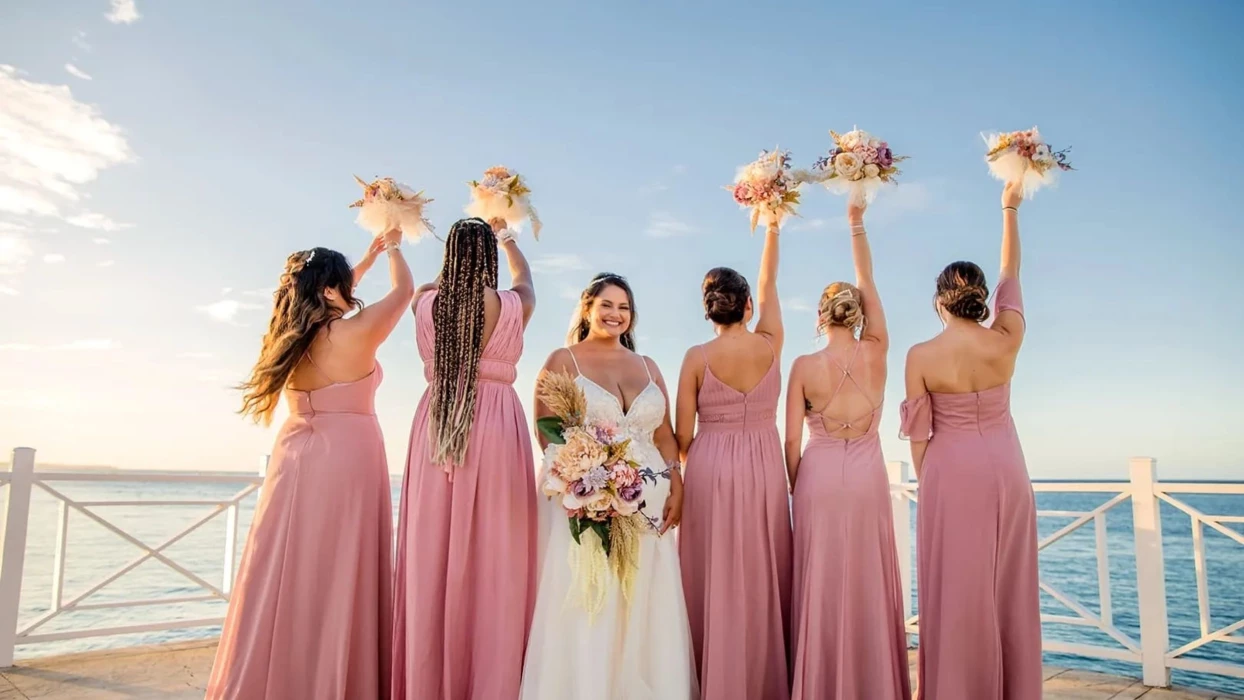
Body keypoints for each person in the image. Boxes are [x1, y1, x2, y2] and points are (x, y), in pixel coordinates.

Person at [208, 227, 412, 699]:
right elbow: (402, 292)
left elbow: (325, 294)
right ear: (329, 288)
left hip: (294, 455)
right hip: (348, 458)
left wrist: (362, 259)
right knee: (340, 568)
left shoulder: (289, 336)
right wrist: (395, 248)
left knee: (287, 567)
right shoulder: (353, 333)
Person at [520, 272, 699, 700]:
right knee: (591, 596)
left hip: (649, 503)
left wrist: (676, 483)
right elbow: (547, 434)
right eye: (607, 305)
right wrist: (589, 481)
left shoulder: (648, 366)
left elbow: (663, 435)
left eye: (624, 307)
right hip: (589, 501)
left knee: (645, 599)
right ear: (587, 307)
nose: (616, 314)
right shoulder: (563, 360)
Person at [900, 181, 1041, 700]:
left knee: (955, 591)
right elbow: (1011, 274)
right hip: (1007, 470)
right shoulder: (1006, 338)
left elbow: (918, 435)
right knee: (1008, 589)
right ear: (981, 300)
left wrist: (929, 477)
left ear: (940, 301)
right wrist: (1009, 207)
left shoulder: (920, 355)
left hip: (949, 473)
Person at [391, 217, 538, 700]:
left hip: (438, 420)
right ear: (489, 258)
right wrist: (508, 239)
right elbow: (526, 282)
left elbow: (426, 289)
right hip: (497, 423)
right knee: (498, 548)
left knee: (432, 545)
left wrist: (445, 277)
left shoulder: (426, 305)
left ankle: (432, 675)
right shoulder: (512, 305)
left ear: (450, 256)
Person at [784, 200, 910, 700]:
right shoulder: (877, 350)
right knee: (868, 579)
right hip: (868, 477)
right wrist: (856, 222)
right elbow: (869, 278)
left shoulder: (803, 365)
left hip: (817, 478)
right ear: (858, 313)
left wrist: (797, 485)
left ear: (820, 316)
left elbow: (790, 440)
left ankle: (819, 684)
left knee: (821, 581)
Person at [675, 219, 791, 700]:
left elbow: (683, 435)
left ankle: (712, 675)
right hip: (764, 463)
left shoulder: (696, 357)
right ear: (746, 306)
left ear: (708, 312)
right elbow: (770, 283)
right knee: (763, 567)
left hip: (710, 465)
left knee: (712, 572)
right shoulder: (770, 343)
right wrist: (772, 228)